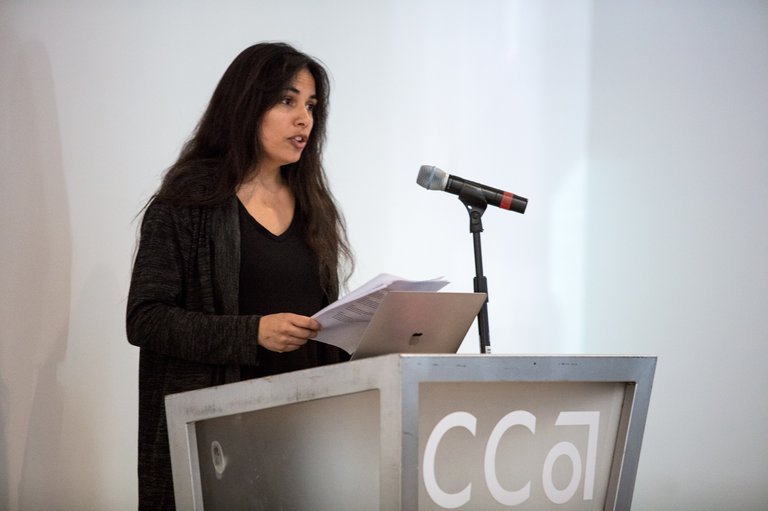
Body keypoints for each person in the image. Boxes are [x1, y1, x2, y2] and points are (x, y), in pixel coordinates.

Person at [126, 42, 353, 510]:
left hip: (303, 434)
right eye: (287, 101)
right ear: (246, 104)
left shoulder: (315, 207)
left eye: (311, 106)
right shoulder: (188, 201)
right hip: (219, 440)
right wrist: (253, 333)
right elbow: (146, 319)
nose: (304, 119)